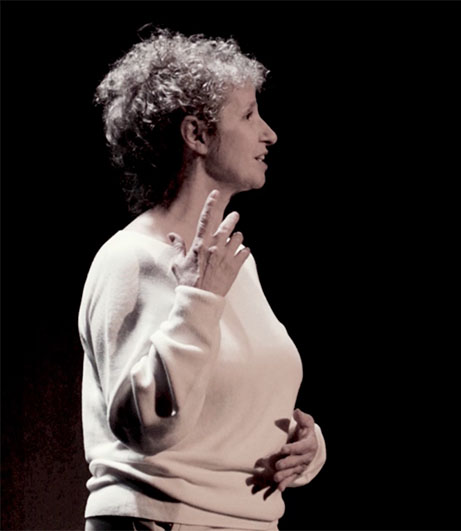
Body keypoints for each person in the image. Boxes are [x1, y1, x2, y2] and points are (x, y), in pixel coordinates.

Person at [79, 28, 326, 530]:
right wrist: (197, 300)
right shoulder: (129, 259)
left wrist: (305, 447)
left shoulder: (232, 263)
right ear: (196, 135)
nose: (270, 134)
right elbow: (147, 428)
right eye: (248, 115)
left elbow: (230, 400)